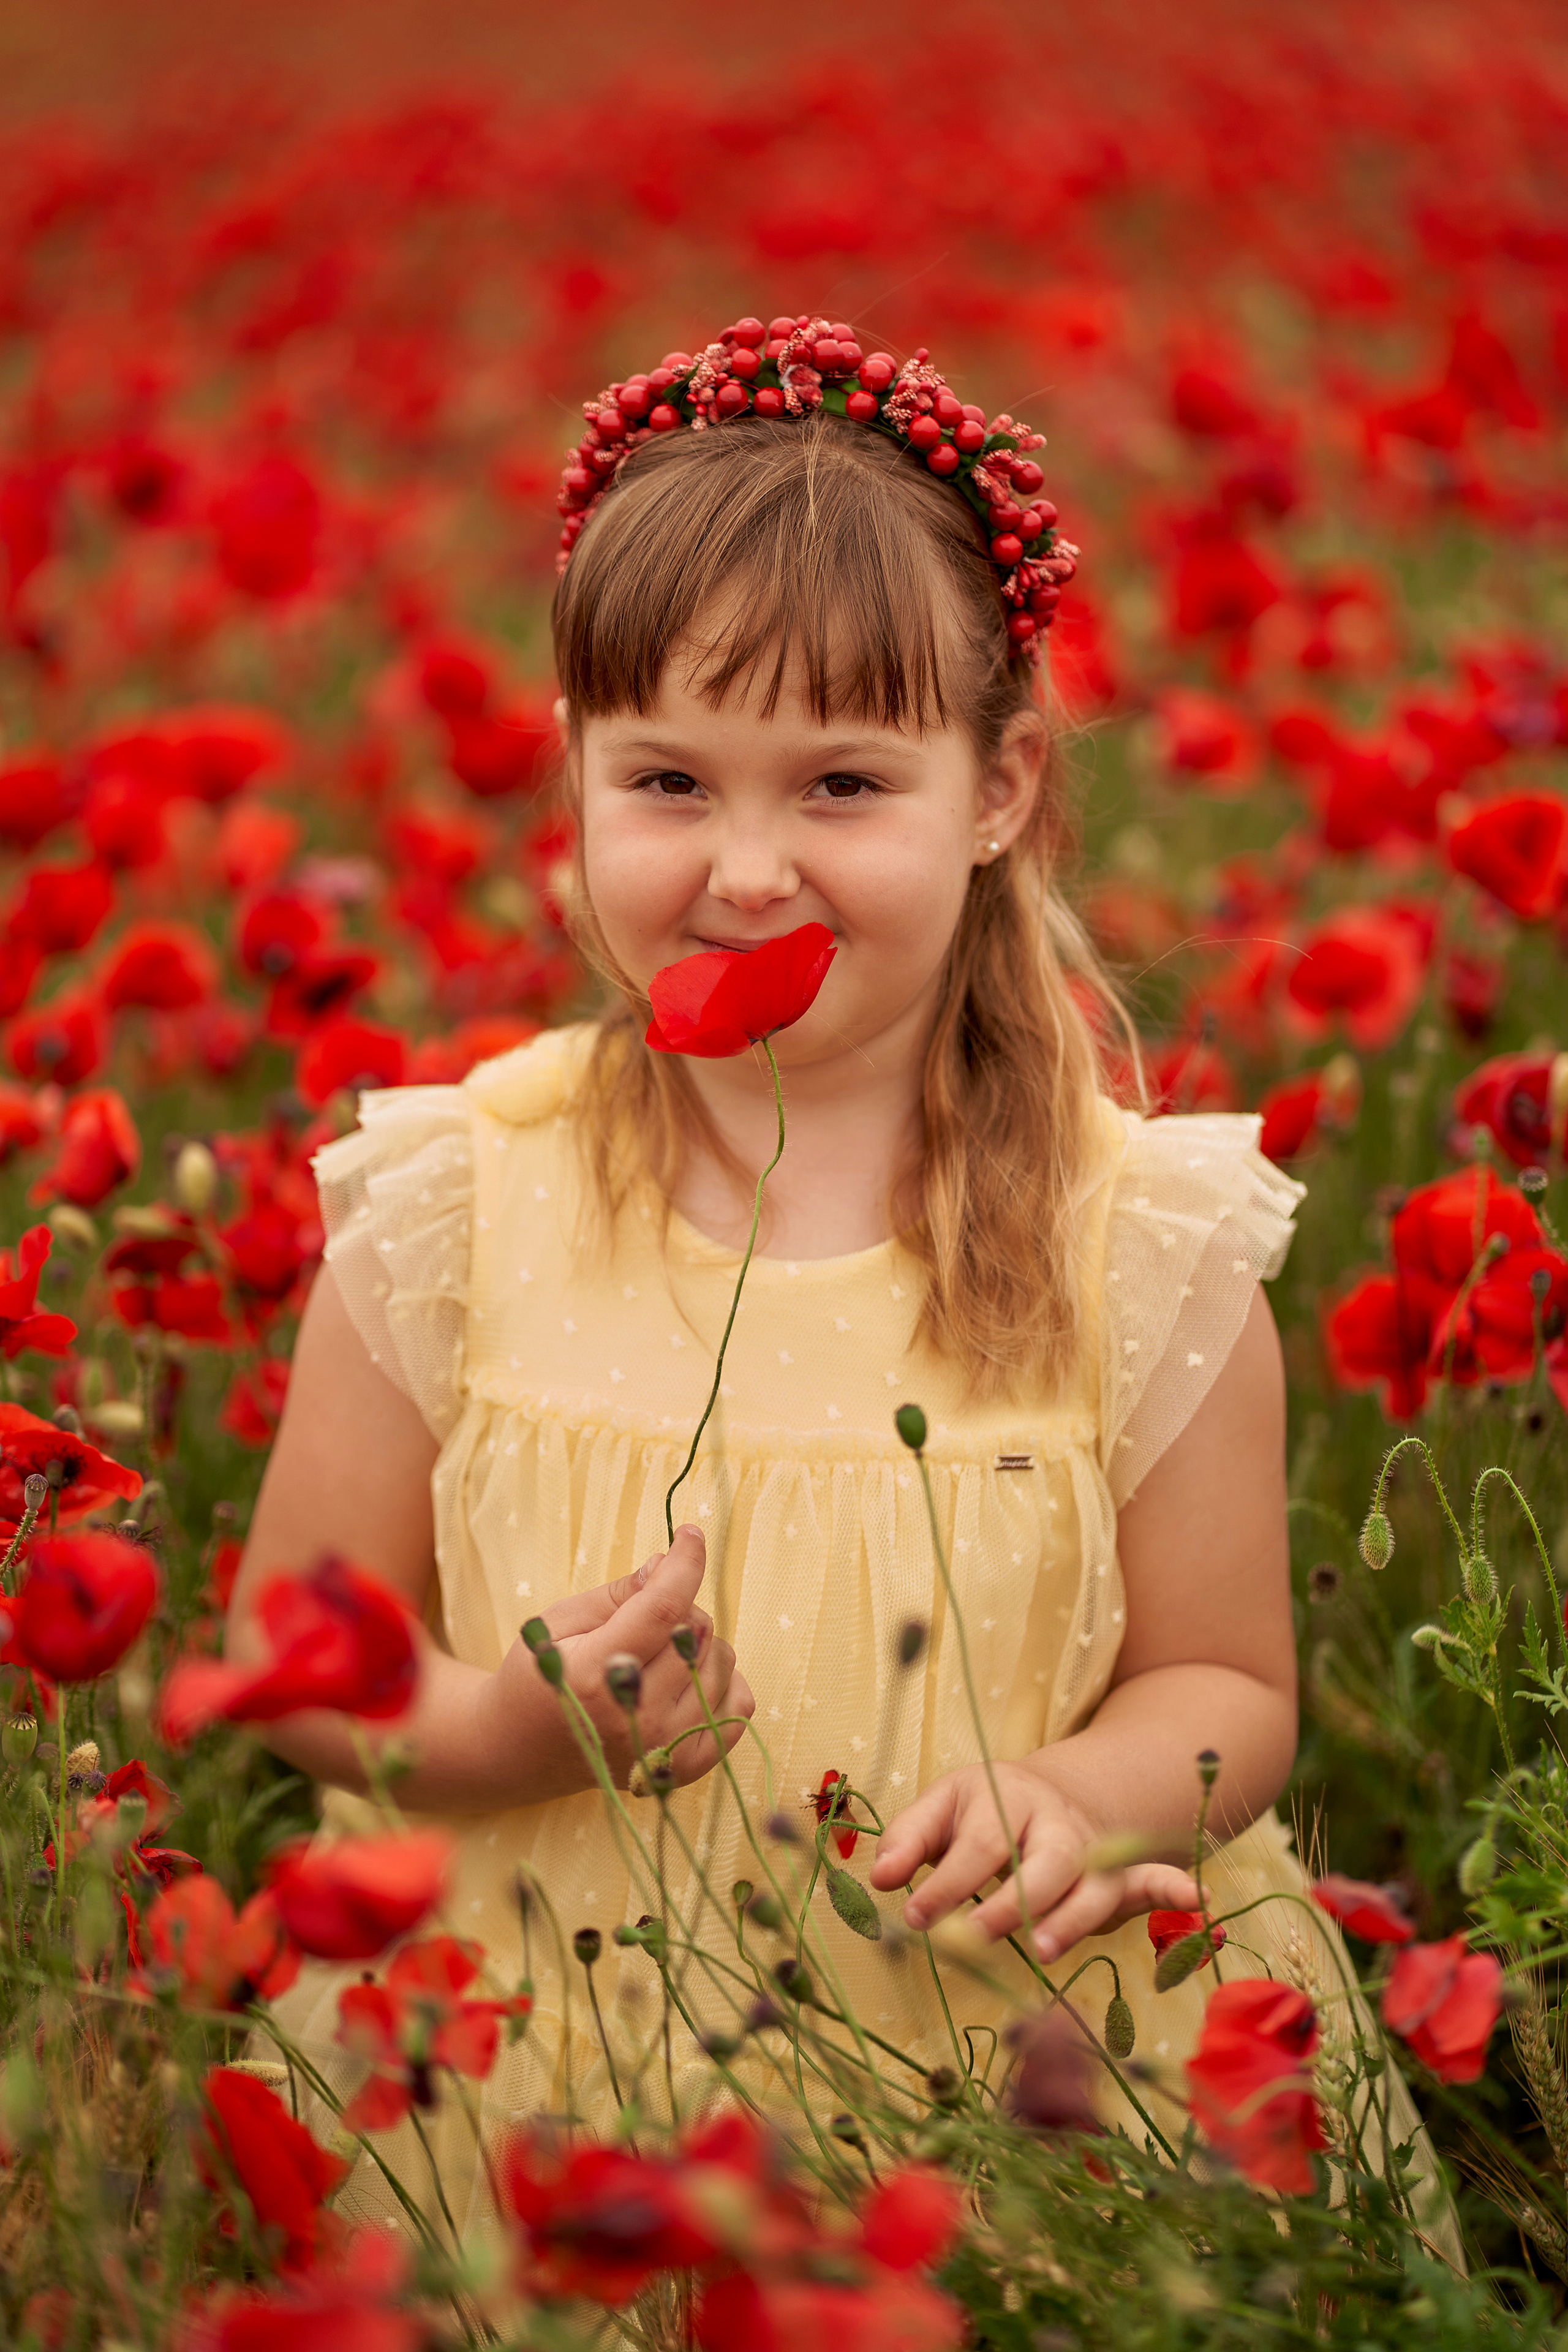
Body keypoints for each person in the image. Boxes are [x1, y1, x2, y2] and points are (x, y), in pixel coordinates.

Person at [236, 315, 1423, 2234]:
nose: (751, 869)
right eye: (673, 785)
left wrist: (1091, 1794)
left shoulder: (1145, 1246)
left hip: (1015, 2067)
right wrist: (507, 1737)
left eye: (845, 786)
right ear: (575, 773)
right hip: (559, 2070)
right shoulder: (454, 1201)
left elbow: (1228, 1683)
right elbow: (288, 1661)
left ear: (1006, 786)